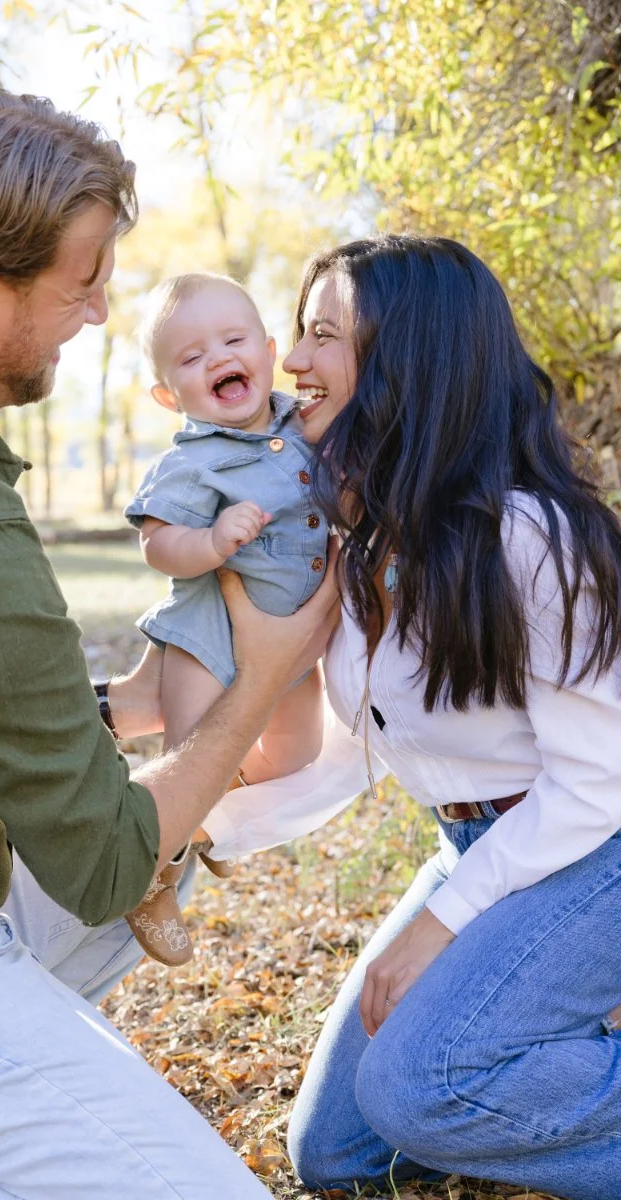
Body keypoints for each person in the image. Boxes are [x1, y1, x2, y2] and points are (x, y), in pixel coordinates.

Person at [0, 88, 339, 1200]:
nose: (100, 311)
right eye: (83, 280)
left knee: (165, 837)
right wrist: (261, 676)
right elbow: (105, 868)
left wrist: (118, 703)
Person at [226, 234, 621, 1200]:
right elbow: (360, 745)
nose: (291, 359)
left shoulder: (531, 537)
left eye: (323, 334)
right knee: (336, 1151)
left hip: (597, 846)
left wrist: (441, 925)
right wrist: (202, 826)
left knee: (421, 1087)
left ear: (409, 357)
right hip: (478, 847)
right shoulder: (375, 542)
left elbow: (600, 782)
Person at [121, 272, 327, 964]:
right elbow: (157, 543)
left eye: (233, 341)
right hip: (208, 637)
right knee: (187, 760)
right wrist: (209, 542)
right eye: (191, 356)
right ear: (168, 396)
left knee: (297, 754)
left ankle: (211, 812)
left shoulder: (306, 425)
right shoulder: (191, 463)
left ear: (268, 353)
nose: (217, 357)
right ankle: (149, 876)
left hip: (293, 640)